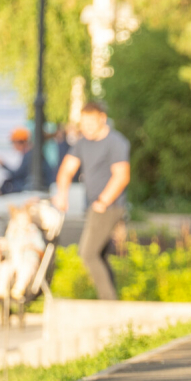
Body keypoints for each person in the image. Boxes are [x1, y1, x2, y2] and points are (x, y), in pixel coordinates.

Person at [53, 101, 131, 300]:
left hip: (110, 207)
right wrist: (62, 194)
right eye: (83, 124)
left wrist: (103, 201)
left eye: (91, 123)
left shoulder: (116, 142)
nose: (86, 128)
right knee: (99, 255)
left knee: (87, 253)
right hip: (94, 207)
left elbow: (122, 176)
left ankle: (108, 303)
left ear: (102, 119)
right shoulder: (82, 143)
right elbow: (67, 169)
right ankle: (112, 300)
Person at [0, 203, 46, 318]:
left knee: (25, 269)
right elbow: (3, 250)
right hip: (13, 260)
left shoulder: (33, 232)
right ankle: (1, 288)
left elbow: (41, 250)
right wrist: (2, 247)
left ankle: (19, 288)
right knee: (4, 267)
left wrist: (32, 247)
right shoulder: (12, 232)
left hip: (27, 260)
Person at [0, 128, 49, 195]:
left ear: (21, 143)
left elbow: (18, 174)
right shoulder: (30, 153)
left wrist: (4, 165)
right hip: (30, 185)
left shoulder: (30, 155)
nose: (13, 146)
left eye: (14, 143)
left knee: (7, 186)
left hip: (30, 187)